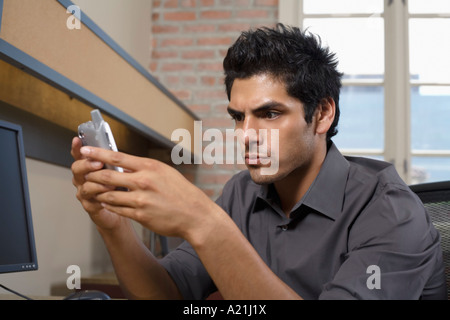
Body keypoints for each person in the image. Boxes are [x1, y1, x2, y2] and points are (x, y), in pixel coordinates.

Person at [71, 24, 447, 300]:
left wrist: (206, 223)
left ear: (322, 115)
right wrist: (114, 226)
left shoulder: (389, 210)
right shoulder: (242, 192)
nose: (245, 134)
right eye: (238, 117)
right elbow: (167, 294)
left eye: (269, 114)